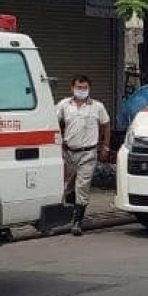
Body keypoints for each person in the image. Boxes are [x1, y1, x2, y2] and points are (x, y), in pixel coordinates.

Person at [56, 74, 111, 235]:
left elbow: (106, 125)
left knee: (82, 187)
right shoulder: (64, 105)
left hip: (88, 153)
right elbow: (54, 122)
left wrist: (105, 147)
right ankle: (69, 216)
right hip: (67, 153)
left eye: (85, 88)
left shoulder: (97, 106)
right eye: (79, 88)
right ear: (72, 88)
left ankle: (77, 223)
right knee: (67, 187)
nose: (82, 90)